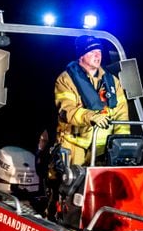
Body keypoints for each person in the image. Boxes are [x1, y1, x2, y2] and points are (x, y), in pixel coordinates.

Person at [54, 35, 130, 166]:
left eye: (99, 52)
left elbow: (121, 114)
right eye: (92, 52)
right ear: (81, 55)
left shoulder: (112, 81)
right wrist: (91, 117)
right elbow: (66, 111)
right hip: (75, 145)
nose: (97, 55)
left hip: (103, 150)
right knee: (73, 183)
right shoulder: (66, 80)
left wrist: (122, 144)